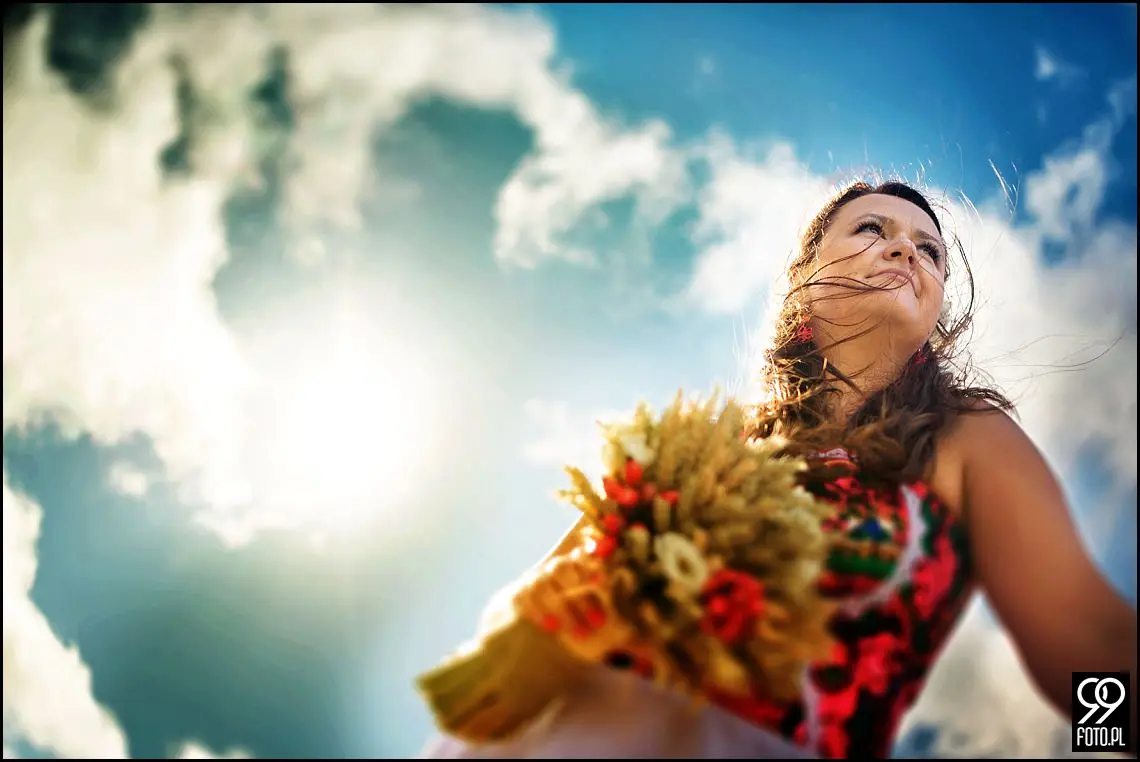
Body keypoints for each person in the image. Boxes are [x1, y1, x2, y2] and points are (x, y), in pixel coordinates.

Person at [420, 181, 1138, 759]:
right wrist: (548, 627)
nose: (905, 250)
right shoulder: (707, 442)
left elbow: (1090, 646)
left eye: (930, 251)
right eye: (871, 229)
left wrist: (1108, 742)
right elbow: (536, 599)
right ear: (804, 279)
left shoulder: (965, 436)